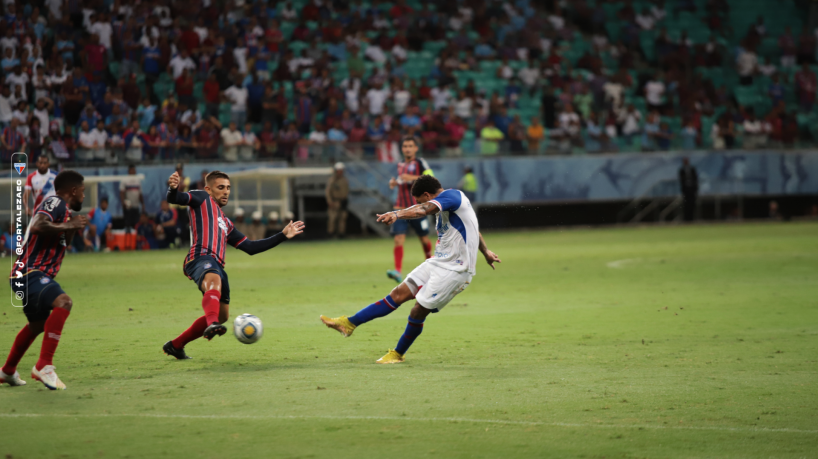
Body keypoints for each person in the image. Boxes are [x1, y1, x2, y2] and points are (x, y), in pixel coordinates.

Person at [320, 175, 501, 364]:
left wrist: (398, 214)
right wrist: (486, 251)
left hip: (456, 270)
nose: (419, 204)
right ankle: (349, 323)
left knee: (417, 311)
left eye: (419, 200)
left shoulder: (453, 196)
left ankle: (398, 354)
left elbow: (424, 209)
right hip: (438, 262)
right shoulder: (450, 205)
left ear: (426, 194)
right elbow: (474, 229)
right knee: (398, 294)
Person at [161, 170, 306, 359]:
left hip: (217, 266)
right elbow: (177, 198)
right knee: (213, 284)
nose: (226, 192)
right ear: (209, 189)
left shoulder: (226, 223)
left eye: (228, 188)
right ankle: (212, 324)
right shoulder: (202, 198)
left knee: (222, 316)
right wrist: (172, 189)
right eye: (220, 187)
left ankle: (176, 345)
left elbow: (251, 247)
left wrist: (282, 235)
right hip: (200, 258)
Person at [2, 171, 88, 390]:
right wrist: (70, 225)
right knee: (64, 302)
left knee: (37, 325)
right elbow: (39, 224)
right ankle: (44, 366)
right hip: (30, 272)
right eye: (84, 192)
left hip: (31, 274)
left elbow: (61, 241)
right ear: (74, 190)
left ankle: (7, 371)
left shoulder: (64, 212)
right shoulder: (55, 201)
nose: (84, 197)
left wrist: (72, 226)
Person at [386, 136, 435, 284]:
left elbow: (431, 177)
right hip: (400, 208)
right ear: (402, 149)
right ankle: (397, 271)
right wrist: (394, 182)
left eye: (410, 146)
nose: (407, 148)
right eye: (405, 146)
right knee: (398, 239)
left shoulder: (420, 162)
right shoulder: (400, 164)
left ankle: (431, 267)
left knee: (424, 239)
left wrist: (412, 177)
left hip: (418, 209)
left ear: (415, 148)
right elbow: (402, 180)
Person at [326, 162, 349, 238]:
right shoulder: (332, 180)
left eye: (341, 171)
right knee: (332, 218)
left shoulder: (345, 180)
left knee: (342, 218)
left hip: (343, 201)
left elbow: (346, 191)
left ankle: (341, 234)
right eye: (338, 170)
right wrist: (330, 201)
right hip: (334, 201)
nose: (340, 172)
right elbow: (328, 192)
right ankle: (331, 234)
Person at [119, 164, 143, 231]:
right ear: (129, 170)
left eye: (134, 170)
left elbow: (140, 193)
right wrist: (123, 202)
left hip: (136, 205)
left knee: (136, 223)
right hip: (128, 205)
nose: (133, 171)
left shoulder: (138, 180)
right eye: (132, 170)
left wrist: (143, 204)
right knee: (128, 224)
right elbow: (122, 192)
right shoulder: (125, 179)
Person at [679, 157, 698, 222]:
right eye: (685, 161)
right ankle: (686, 218)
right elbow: (681, 180)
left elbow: (695, 179)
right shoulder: (682, 170)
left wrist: (695, 188)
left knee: (692, 203)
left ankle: (692, 218)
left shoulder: (692, 169)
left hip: (692, 189)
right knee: (686, 204)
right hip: (686, 189)